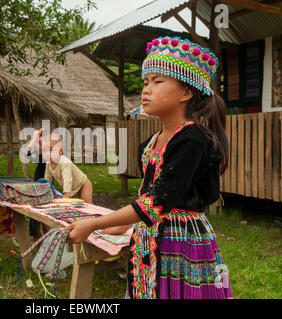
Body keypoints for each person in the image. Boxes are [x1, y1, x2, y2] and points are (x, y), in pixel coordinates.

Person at [63, 36, 233, 299]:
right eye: (145, 82)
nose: (146, 89)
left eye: (157, 81)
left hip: (181, 242)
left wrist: (94, 224)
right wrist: (122, 226)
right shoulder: (150, 143)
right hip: (147, 237)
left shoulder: (192, 141)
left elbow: (157, 203)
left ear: (186, 93)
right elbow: (147, 196)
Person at [43, 134, 93, 204]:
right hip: (73, 188)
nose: (47, 153)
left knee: (88, 205)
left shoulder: (65, 162)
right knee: (77, 207)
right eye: (44, 150)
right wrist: (45, 190)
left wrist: (66, 195)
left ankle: (99, 214)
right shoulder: (48, 163)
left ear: (60, 151)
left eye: (51, 150)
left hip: (83, 184)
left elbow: (67, 179)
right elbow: (47, 179)